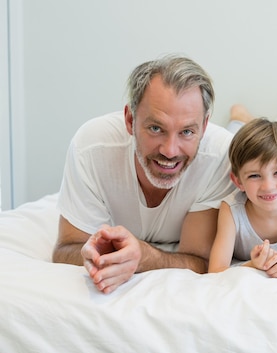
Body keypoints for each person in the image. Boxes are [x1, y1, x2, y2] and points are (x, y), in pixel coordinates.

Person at [52, 54, 235, 294]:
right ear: (129, 119)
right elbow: (66, 248)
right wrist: (100, 255)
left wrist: (145, 257)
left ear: (205, 126)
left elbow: (199, 260)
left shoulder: (221, 156)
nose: (170, 150)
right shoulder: (91, 149)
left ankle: (239, 120)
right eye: (156, 128)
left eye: (187, 132)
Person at [208, 118, 277, 279]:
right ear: (238, 181)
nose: (268, 186)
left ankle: (241, 117)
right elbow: (216, 270)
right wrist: (252, 265)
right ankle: (238, 119)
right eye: (255, 175)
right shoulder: (231, 208)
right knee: (233, 131)